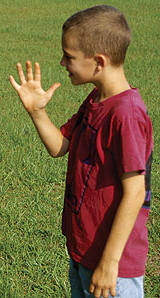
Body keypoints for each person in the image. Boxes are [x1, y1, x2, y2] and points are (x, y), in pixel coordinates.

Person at [9, 5, 153, 298]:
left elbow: (136, 192)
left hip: (113, 266)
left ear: (98, 61)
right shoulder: (96, 99)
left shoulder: (126, 115)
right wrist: (37, 112)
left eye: (69, 56)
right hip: (84, 250)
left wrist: (110, 262)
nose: (62, 61)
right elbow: (59, 147)